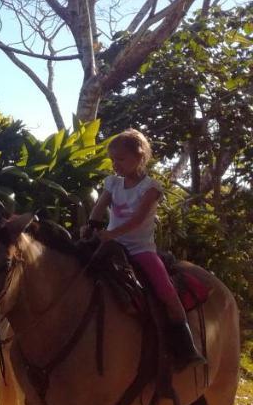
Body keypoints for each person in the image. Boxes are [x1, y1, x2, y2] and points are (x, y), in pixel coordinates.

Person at [85, 128, 204, 370]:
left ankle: (185, 344)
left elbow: (138, 220)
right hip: (112, 245)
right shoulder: (113, 183)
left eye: (121, 159)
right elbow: (100, 207)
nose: (115, 164)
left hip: (140, 249)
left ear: (139, 157)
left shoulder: (151, 188)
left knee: (167, 293)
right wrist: (91, 225)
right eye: (113, 160)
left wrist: (111, 234)